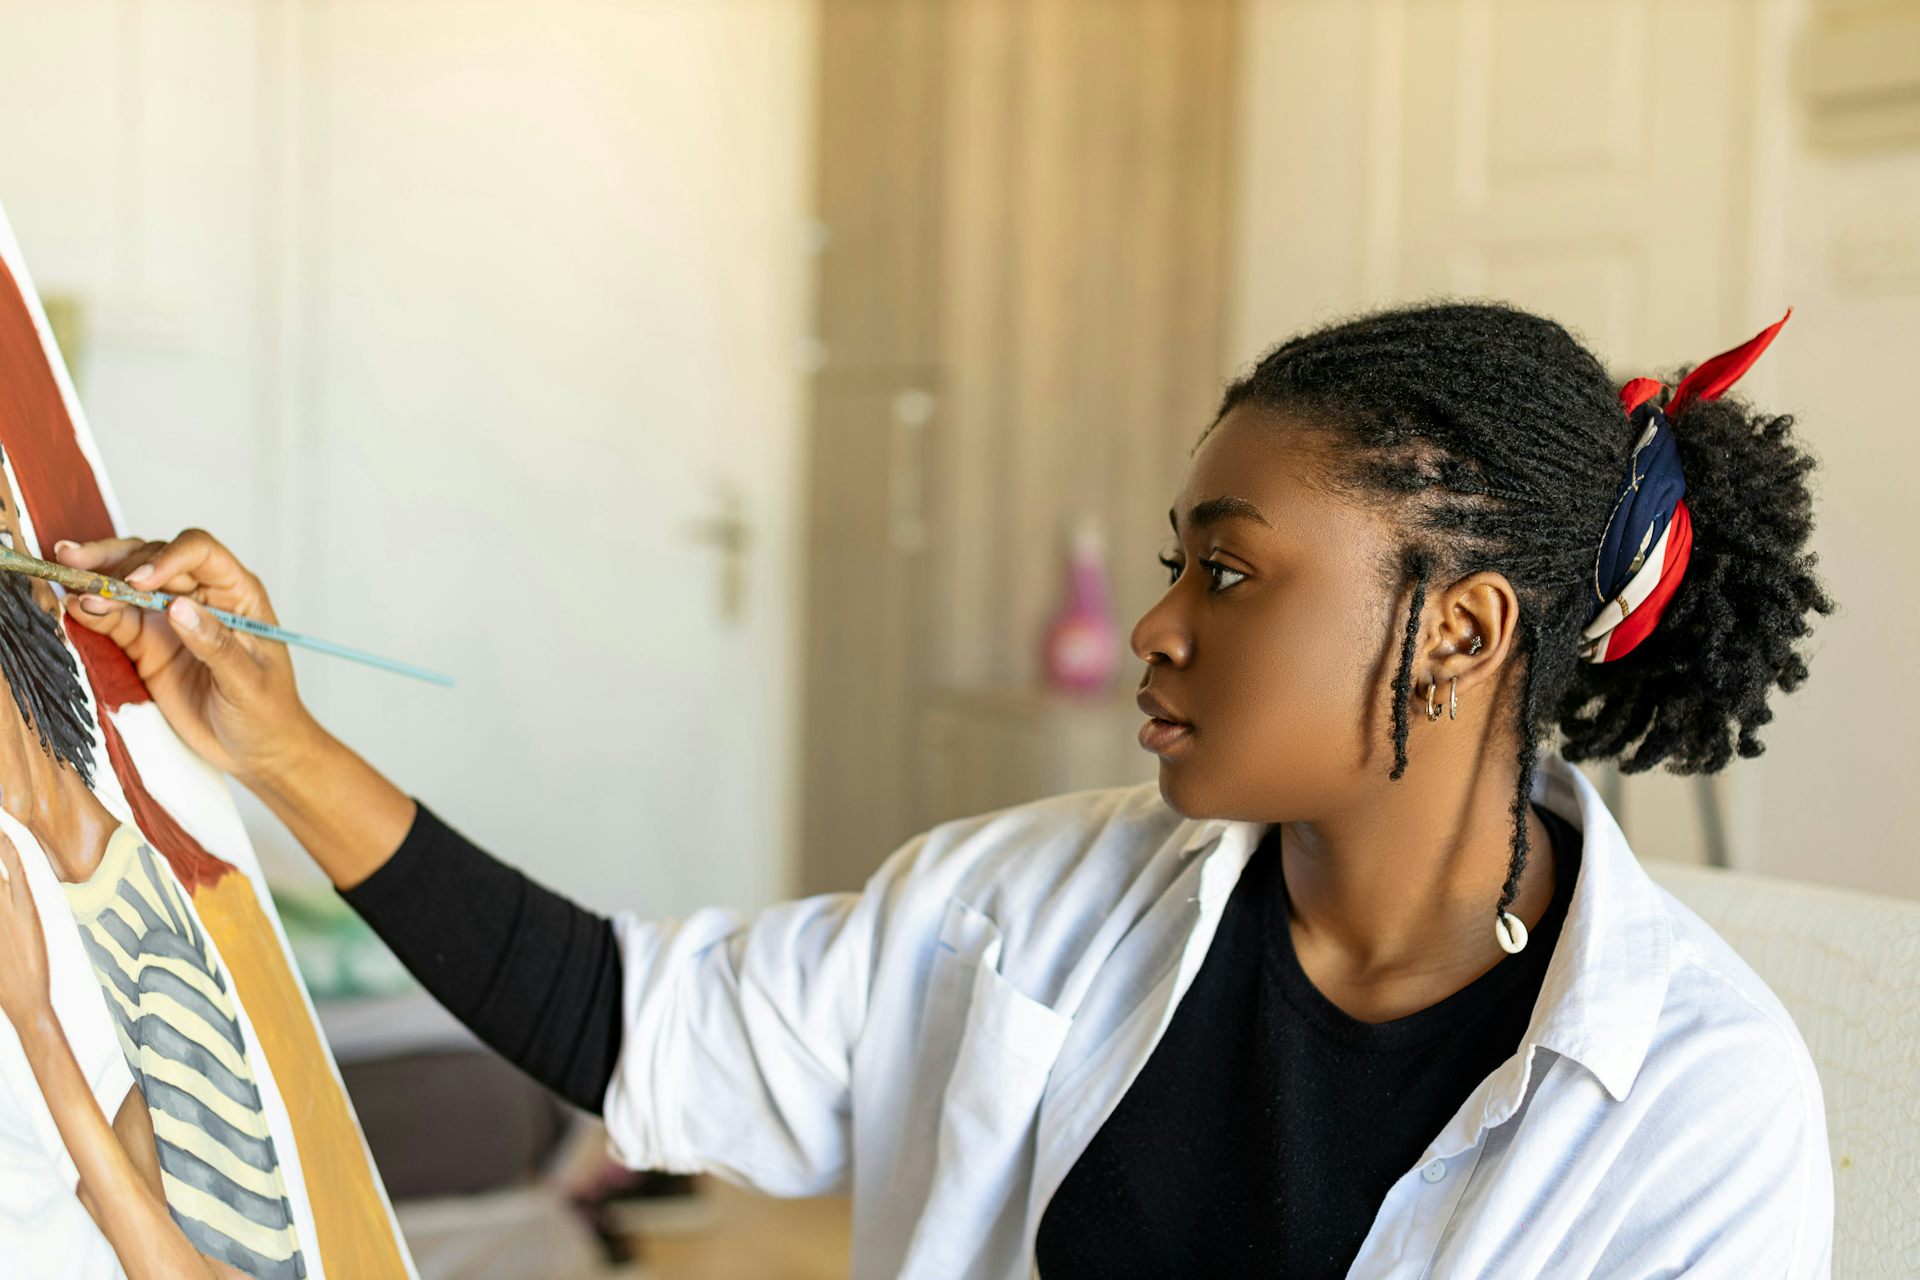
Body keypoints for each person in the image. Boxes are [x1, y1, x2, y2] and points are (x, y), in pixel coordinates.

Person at [52, 301, 1835, 1278]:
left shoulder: (1695, 1103)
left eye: (1229, 572)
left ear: (1457, 633)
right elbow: (628, 1021)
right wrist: (273, 744)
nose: (1156, 626)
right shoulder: (1037, 901)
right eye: (1171, 563)